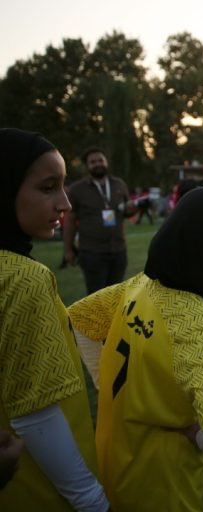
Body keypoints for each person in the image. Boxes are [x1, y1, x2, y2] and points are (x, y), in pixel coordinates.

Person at [68, 186, 203, 511]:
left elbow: (80, 319)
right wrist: (200, 439)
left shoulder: (142, 284)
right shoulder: (196, 318)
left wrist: (105, 384)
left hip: (117, 445)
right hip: (165, 469)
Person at [0, 128, 109, 511]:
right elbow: (36, 413)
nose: (64, 203)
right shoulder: (23, 279)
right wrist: (90, 497)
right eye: (48, 188)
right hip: (39, 489)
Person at [63, 147, 132, 294]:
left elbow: (126, 211)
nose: (97, 164)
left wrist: (132, 209)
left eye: (100, 160)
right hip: (92, 252)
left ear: (106, 162)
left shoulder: (119, 184)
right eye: (93, 162)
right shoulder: (77, 189)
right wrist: (68, 249)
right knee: (96, 296)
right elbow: (69, 220)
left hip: (118, 250)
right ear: (87, 166)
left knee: (117, 295)